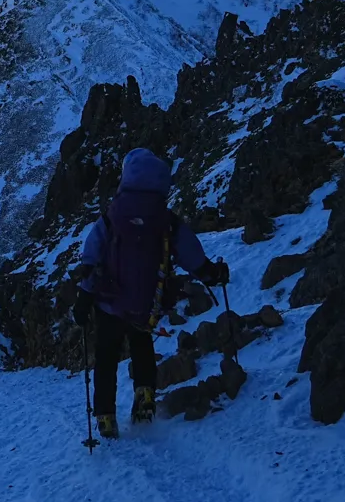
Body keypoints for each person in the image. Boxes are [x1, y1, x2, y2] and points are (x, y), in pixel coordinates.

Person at [72, 147, 228, 437]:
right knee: (142, 347)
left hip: (108, 303)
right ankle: (144, 396)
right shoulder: (165, 218)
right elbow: (191, 254)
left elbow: (92, 255)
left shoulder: (112, 215)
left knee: (105, 358)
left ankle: (105, 416)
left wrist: (84, 297)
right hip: (145, 302)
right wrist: (211, 274)